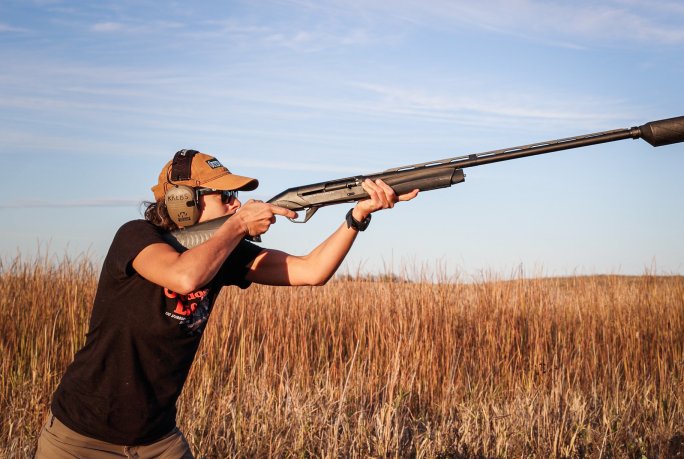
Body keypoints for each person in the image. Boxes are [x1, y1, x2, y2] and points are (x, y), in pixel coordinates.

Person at [36, 149, 418, 458]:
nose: (237, 206)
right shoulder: (136, 236)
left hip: (156, 439)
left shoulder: (225, 253)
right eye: (227, 197)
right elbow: (185, 276)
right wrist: (238, 228)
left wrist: (357, 216)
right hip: (78, 439)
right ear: (183, 203)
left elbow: (312, 271)